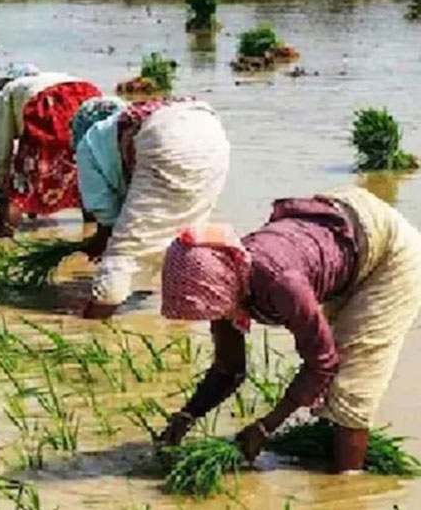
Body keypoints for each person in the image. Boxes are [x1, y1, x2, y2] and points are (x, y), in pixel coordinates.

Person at [157, 187, 421, 473]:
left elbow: (322, 363)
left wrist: (266, 427)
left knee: (351, 387)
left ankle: (348, 485)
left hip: (389, 251)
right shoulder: (224, 278)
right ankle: (325, 457)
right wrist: (186, 416)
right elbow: (229, 368)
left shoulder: (282, 284)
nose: (211, 316)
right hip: (344, 226)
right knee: (333, 380)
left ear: (222, 286)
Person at [73, 97, 230, 319]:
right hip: (211, 132)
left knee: (124, 252)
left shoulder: (88, 143)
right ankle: (186, 315)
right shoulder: (119, 125)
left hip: (165, 137)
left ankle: (91, 324)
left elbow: (103, 209)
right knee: (187, 234)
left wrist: (104, 240)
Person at [0, 64, 102, 238]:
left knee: (20, 189)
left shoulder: (9, 91)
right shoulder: (57, 77)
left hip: (49, 104)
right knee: (85, 174)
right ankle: (94, 235)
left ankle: (1, 241)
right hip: (89, 97)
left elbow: (2, 143)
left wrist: (2, 182)